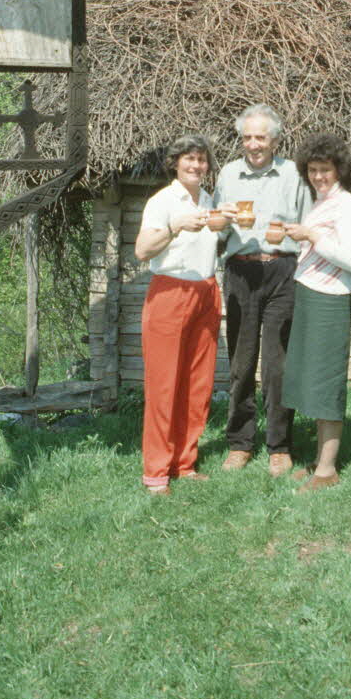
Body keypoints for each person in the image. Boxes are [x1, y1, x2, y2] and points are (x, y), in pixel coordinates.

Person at [214, 104, 311, 475]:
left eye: (261, 137)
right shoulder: (228, 175)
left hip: (282, 271)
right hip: (240, 272)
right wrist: (221, 223)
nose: (254, 144)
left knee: (277, 364)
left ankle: (279, 445)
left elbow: (306, 226)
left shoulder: (293, 174)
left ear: (275, 139)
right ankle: (239, 443)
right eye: (248, 137)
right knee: (241, 362)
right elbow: (220, 231)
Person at [134, 134, 221, 495]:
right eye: (189, 159)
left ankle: (185, 463)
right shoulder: (163, 201)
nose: (196, 166)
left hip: (206, 291)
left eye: (201, 160)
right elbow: (142, 250)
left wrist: (224, 223)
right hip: (170, 292)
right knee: (164, 384)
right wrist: (174, 227)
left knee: (197, 383)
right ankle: (156, 472)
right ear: (175, 163)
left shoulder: (210, 199)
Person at [282, 133, 351, 490]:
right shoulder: (321, 203)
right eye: (313, 170)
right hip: (310, 293)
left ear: (339, 170)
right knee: (312, 380)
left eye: (325, 170)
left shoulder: (348, 206)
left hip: (329, 300)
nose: (319, 176)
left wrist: (312, 236)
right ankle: (318, 460)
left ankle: (327, 472)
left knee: (327, 383)